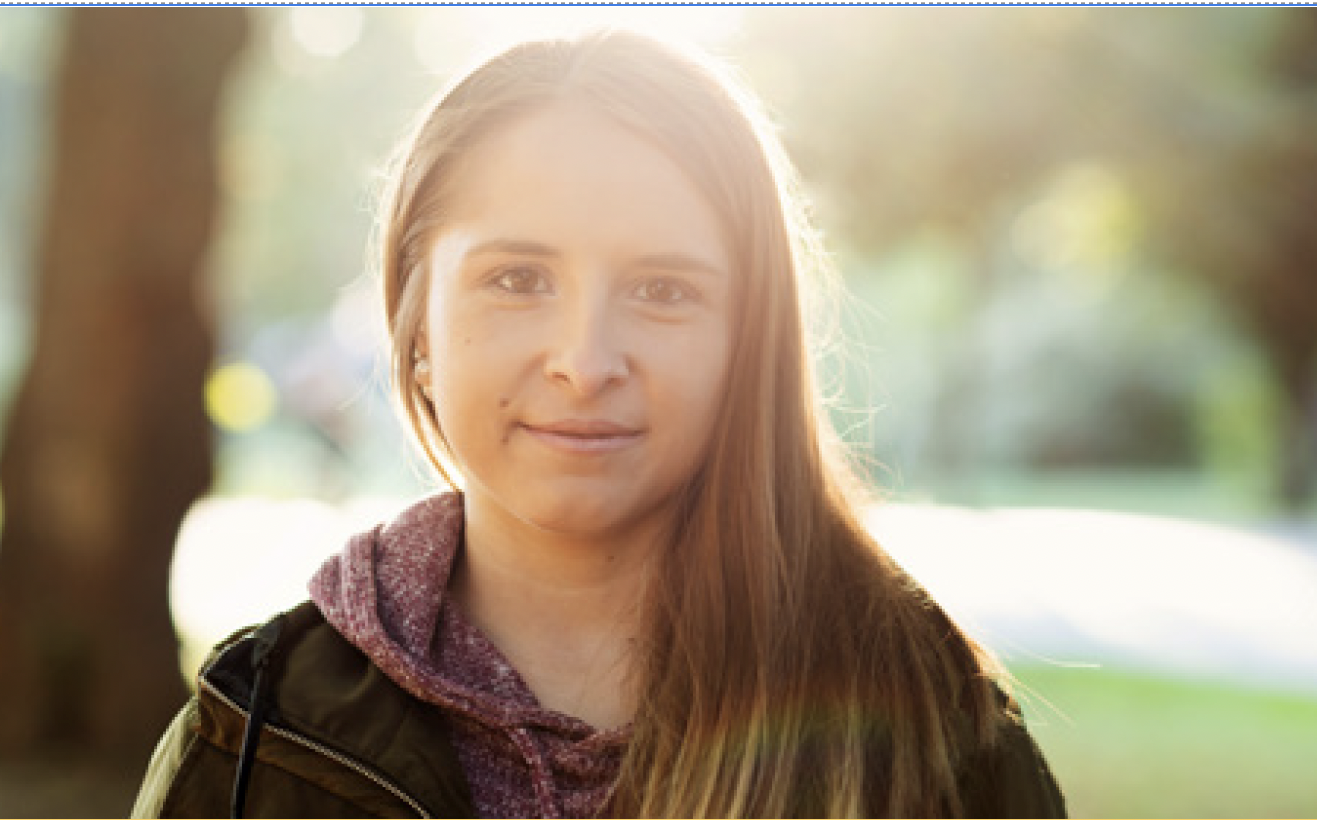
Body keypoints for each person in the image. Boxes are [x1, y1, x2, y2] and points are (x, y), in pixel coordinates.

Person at [132, 30, 1065, 819]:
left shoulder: (933, 730)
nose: (585, 360)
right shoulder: (259, 728)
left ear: (750, 338)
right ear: (417, 329)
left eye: (663, 291)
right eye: (518, 279)